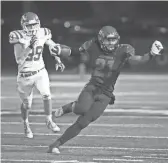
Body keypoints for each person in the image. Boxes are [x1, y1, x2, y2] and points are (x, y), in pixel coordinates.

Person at [47, 26, 164, 154]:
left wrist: (151, 55)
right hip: (93, 87)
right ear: (101, 39)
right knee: (81, 108)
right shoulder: (93, 45)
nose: (111, 43)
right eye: (108, 40)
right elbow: (74, 52)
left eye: (113, 40)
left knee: (84, 122)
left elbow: (137, 60)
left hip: (106, 94)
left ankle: (56, 144)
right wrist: (60, 50)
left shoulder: (124, 49)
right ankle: (68, 107)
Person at [9, 12, 65, 139]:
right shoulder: (18, 37)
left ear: (38, 24)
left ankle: (49, 120)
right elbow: (19, 60)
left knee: (46, 94)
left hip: (40, 71)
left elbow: (52, 46)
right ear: (23, 26)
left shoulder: (43, 32)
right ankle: (26, 123)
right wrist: (30, 46)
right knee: (27, 104)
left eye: (34, 25)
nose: (32, 28)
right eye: (29, 26)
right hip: (25, 76)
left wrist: (58, 59)